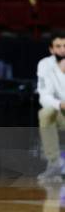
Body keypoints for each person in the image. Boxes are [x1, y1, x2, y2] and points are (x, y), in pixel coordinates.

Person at [37, 31, 65, 183]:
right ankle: (54, 164)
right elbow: (44, 96)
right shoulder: (44, 65)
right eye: (58, 46)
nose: (62, 49)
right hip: (60, 112)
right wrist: (60, 104)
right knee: (45, 113)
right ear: (51, 49)